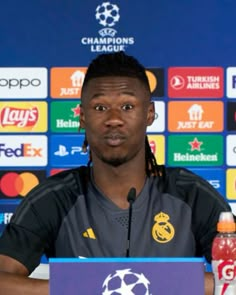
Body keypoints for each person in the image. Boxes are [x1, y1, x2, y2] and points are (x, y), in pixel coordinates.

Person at [0, 51, 233, 295]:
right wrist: (77, 287)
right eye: (100, 107)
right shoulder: (54, 198)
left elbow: (234, 277)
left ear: (150, 114)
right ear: (81, 116)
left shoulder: (191, 194)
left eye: (127, 106)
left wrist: (156, 284)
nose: (114, 119)